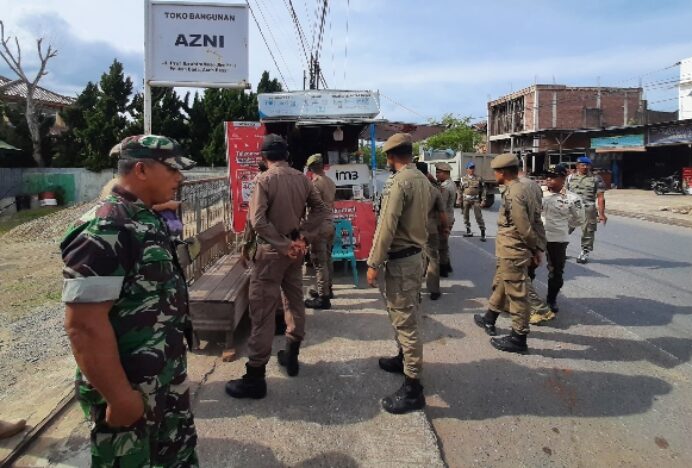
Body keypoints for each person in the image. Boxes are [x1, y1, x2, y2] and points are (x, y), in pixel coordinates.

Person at [61, 134, 199, 467]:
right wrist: (119, 397)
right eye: (172, 169)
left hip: (162, 377)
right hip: (131, 389)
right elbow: (83, 326)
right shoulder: (105, 228)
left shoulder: (144, 218)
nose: (179, 178)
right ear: (141, 170)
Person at [225, 134, 329, 399]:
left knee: (262, 312)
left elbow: (258, 221)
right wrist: (301, 236)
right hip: (294, 252)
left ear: (263, 157)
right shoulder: (301, 179)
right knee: (294, 301)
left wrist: (283, 244)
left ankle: (255, 377)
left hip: (271, 254)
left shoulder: (264, 180)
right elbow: (320, 209)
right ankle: (291, 356)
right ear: (286, 155)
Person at [367, 133, 430, 414]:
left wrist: (373, 262)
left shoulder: (398, 184)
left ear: (391, 157)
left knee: (406, 321)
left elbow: (386, 227)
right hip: (415, 256)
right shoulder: (421, 179)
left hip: (402, 260)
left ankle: (413, 387)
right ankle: (403, 359)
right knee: (404, 313)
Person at [473, 153, 546, 354]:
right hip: (516, 249)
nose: (494, 175)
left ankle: (518, 338)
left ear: (502, 172)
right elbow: (537, 221)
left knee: (517, 294)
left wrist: (533, 248)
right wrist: (538, 246)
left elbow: (523, 227)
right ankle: (490, 317)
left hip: (513, 250)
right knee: (503, 284)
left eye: (495, 171)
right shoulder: (528, 188)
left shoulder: (513, 192)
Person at [529, 164, 585, 325]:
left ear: (563, 178)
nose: (548, 179)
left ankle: (551, 299)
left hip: (558, 239)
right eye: (547, 176)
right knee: (529, 268)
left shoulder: (573, 199)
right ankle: (529, 300)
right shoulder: (538, 193)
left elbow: (578, 220)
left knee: (556, 272)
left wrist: (564, 229)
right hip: (538, 238)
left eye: (553, 177)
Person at [304, 153, 337, 310]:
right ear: (323, 166)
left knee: (319, 262)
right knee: (328, 259)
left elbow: (313, 206)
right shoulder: (330, 182)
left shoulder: (315, 184)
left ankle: (323, 298)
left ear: (310, 169)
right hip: (330, 224)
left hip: (319, 226)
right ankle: (327, 289)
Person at [416, 161, 448, 300]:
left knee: (415, 258)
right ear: (427, 173)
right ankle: (434, 290)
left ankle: (415, 290)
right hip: (431, 229)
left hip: (413, 229)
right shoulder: (434, 190)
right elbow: (442, 213)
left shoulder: (410, 187)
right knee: (433, 258)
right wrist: (445, 227)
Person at [567, 156, 607, 264]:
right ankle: (561, 249)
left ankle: (584, 252)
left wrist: (601, 214)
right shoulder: (570, 178)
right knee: (563, 229)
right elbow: (563, 193)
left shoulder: (596, 178)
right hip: (571, 208)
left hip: (587, 208)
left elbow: (601, 197)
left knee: (588, 231)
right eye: (582, 165)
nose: (585, 167)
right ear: (577, 166)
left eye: (587, 165)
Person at [435, 162, 456, 277]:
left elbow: (441, 206)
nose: (437, 175)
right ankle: (447, 265)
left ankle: (443, 269)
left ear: (445, 173)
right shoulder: (450, 183)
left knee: (441, 245)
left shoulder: (446, 187)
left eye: (439, 173)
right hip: (449, 216)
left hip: (445, 219)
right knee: (444, 243)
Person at [460, 161, 486, 241]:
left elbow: (483, 189)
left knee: (478, 216)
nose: (472, 169)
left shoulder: (479, 178)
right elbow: (460, 190)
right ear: (467, 169)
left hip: (476, 200)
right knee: (465, 216)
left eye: (473, 168)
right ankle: (468, 231)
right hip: (466, 200)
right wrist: (459, 200)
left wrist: (483, 200)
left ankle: (483, 234)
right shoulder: (463, 179)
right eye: (470, 168)